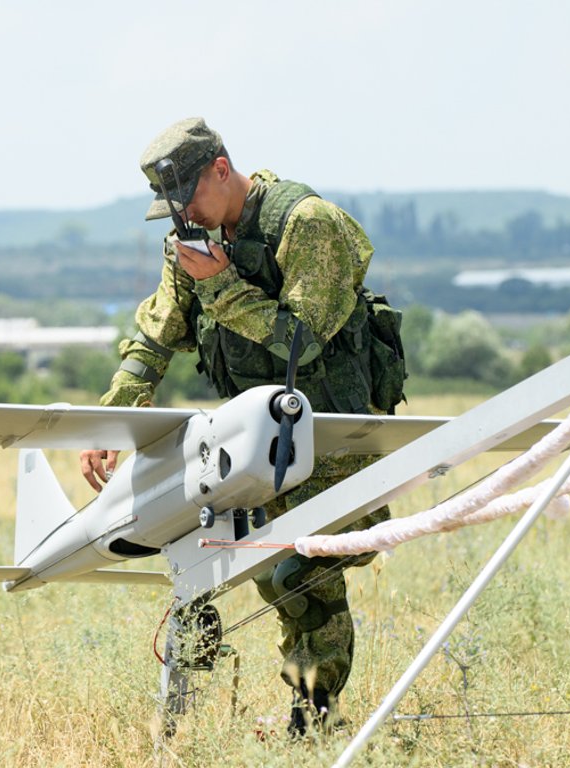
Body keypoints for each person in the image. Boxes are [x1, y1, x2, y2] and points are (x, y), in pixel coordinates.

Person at [79, 117, 403, 736]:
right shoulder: (192, 239)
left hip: (333, 441)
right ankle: (206, 719)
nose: (184, 216)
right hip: (253, 447)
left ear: (221, 170)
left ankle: (312, 724)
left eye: (190, 197)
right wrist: (115, 414)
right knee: (210, 560)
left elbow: (300, 344)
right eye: (172, 207)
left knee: (301, 574)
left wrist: (221, 285)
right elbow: (155, 334)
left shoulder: (307, 225)